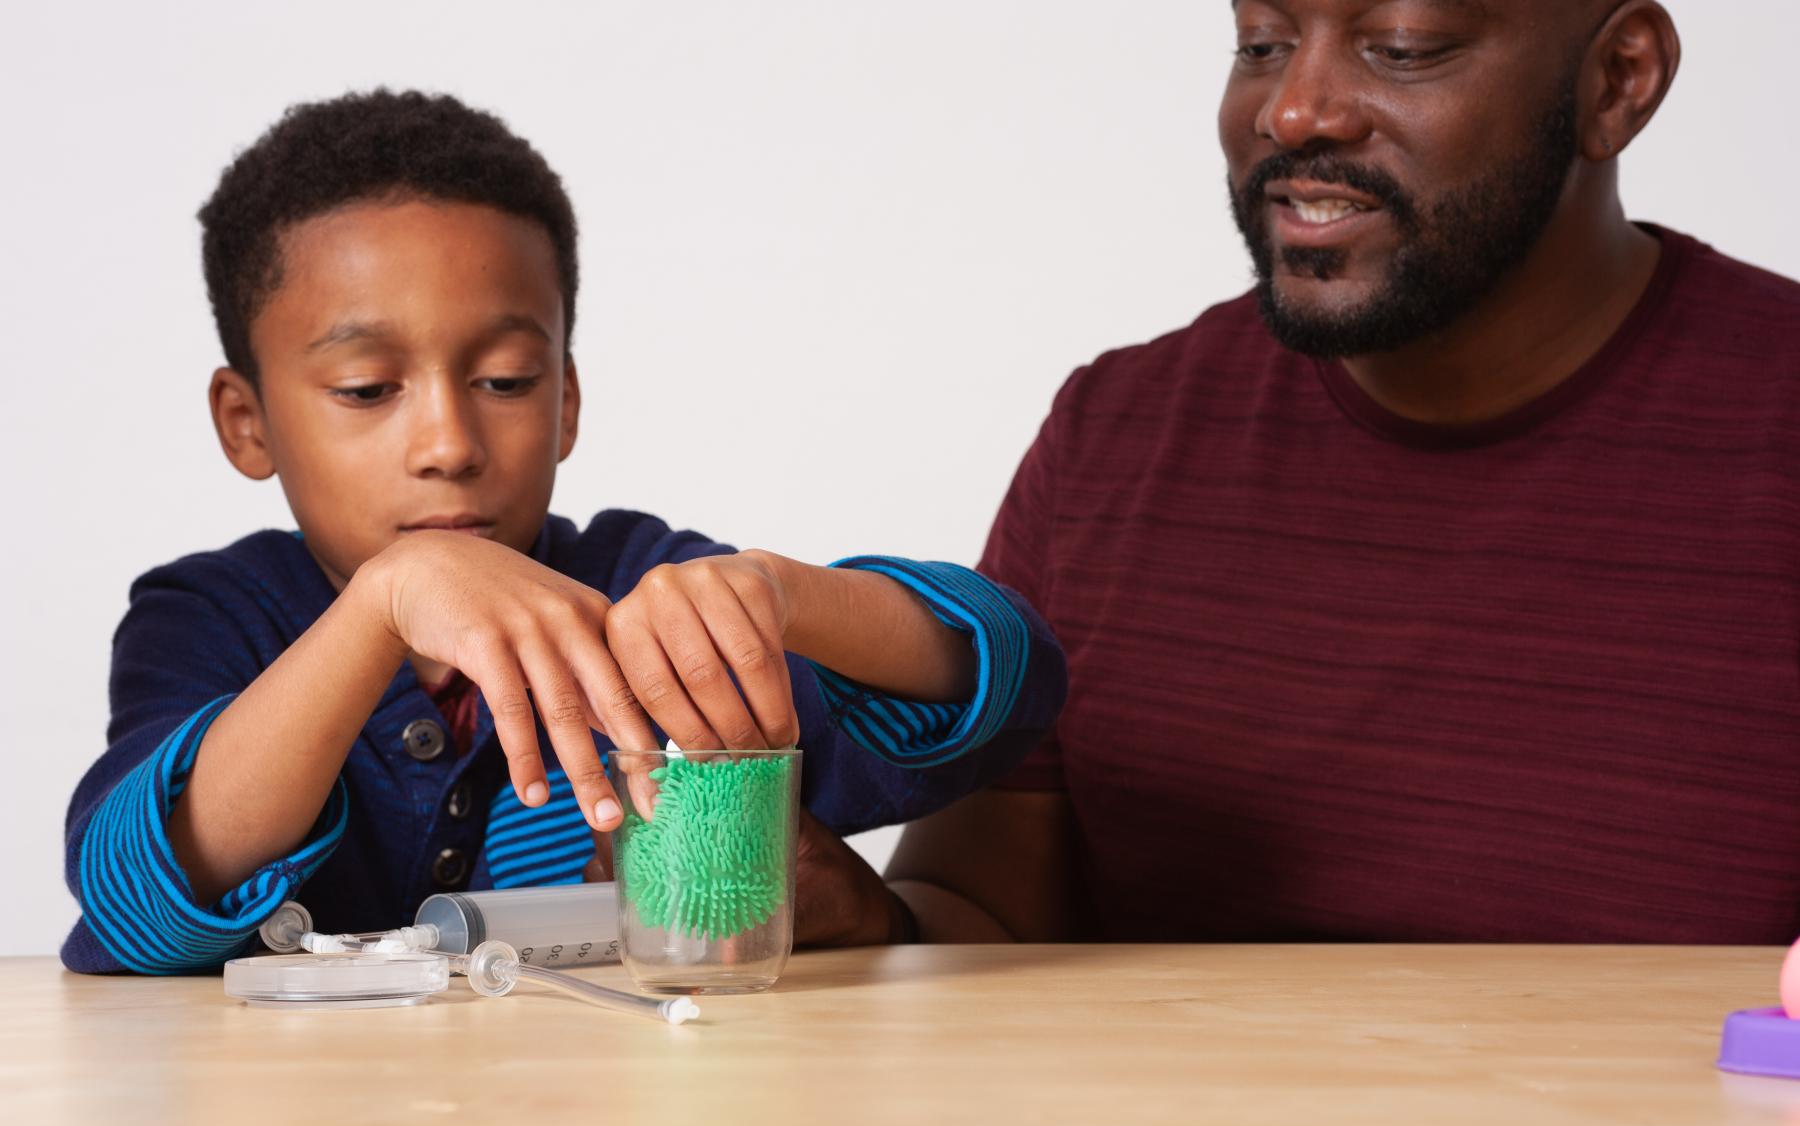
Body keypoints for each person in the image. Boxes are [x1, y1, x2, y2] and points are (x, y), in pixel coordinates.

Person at [800, 0, 1800, 947]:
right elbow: (987, 920)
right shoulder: (1117, 437)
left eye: (1401, 45)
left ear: (1618, 80)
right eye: (1263, 41)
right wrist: (863, 922)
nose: (1293, 111)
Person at [62, 90, 1065, 974]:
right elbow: (138, 903)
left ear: (568, 402)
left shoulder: (638, 592)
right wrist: (383, 603)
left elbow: (1005, 680)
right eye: (368, 389)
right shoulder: (209, 617)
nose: (449, 443)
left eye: (504, 380)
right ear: (249, 422)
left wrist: (786, 595)